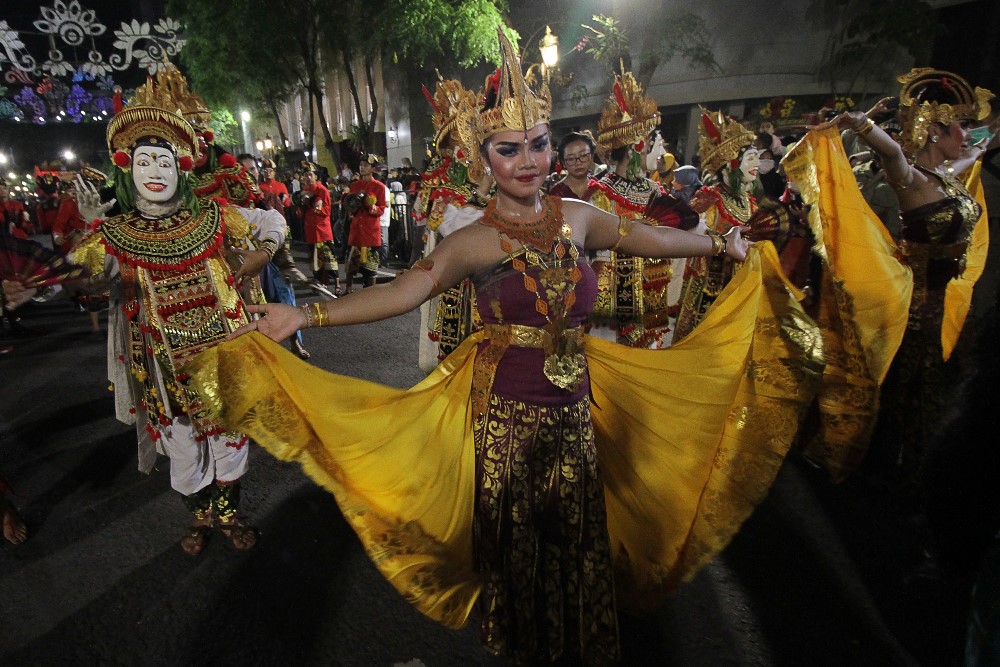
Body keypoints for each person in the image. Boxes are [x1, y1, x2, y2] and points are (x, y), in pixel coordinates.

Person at [186, 29, 823, 666]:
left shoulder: (576, 216)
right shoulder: (473, 240)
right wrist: (306, 314)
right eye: (509, 149)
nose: (529, 161)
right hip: (506, 420)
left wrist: (720, 245)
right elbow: (406, 290)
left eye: (538, 144)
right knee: (522, 544)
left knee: (575, 536)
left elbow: (643, 236)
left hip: (575, 409)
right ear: (483, 158)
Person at [62, 65, 286, 556]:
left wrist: (261, 254)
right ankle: (200, 516)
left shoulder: (213, 215)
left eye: (164, 162)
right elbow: (83, 278)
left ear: (181, 168)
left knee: (230, 438)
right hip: (164, 365)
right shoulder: (114, 233)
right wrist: (85, 234)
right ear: (128, 169)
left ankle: (227, 516)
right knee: (183, 446)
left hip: (224, 351)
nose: (155, 172)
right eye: (144, 162)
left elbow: (272, 219)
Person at [789, 68, 994, 574]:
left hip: (945, 311)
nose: (967, 136)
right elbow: (891, 153)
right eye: (959, 127)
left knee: (929, 402)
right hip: (916, 315)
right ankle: (890, 511)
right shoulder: (912, 179)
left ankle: (907, 497)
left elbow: (976, 153)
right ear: (933, 129)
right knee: (907, 404)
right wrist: (861, 124)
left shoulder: (950, 175)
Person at [589, 71, 699, 349]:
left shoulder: (656, 191)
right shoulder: (602, 194)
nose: (660, 152)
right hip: (616, 299)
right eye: (652, 144)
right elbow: (597, 254)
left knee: (652, 348)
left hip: (653, 291)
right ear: (635, 147)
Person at [672, 108, 760, 343]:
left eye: (757, 156)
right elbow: (690, 242)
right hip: (708, 287)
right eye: (751, 157)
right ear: (731, 163)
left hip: (739, 286)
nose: (758, 163)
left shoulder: (750, 202)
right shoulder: (709, 199)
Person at [343, 154, 389, 294]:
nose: (362, 168)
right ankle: (348, 290)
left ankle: (371, 294)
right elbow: (350, 207)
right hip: (356, 230)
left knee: (370, 268)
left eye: (366, 165)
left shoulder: (379, 187)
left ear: (373, 169)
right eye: (361, 165)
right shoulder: (354, 185)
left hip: (370, 231)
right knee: (351, 265)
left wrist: (371, 206)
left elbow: (381, 209)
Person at [297, 163, 341, 292]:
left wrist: (316, 208)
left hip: (322, 230)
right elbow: (301, 210)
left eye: (310, 175)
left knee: (329, 257)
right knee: (314, 259)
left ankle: (337, 284)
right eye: (306, 175)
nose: (308, 177)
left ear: (316, 176)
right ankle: (320, 282)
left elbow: (327, 210)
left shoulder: (322, 190)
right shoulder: (304, 190)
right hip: (310, 229)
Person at [548, 130, 600, 201]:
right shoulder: (557, 193)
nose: (578, 163)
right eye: (571, 159)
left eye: (583, 155)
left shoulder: (597, 186)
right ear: (563, 163)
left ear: (592, 156)